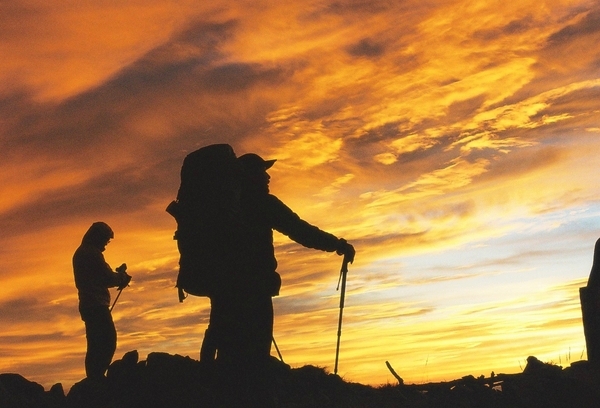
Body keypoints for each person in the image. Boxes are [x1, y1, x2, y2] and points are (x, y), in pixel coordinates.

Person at [203, 153, 355, 406]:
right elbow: (300, 230)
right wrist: (337, 245)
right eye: (262, 172)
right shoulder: (262, 203)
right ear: (250, 176)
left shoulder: (221, 208)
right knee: (254, 358)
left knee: (227, 352)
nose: (267, 176)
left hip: (223, 292)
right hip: (253, 292)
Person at [73, 222, 131, 380]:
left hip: (89, 305)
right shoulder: (91, 253)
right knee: (106, 341)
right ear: (97, 237)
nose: (106, 244)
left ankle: (95, 377)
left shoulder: (83, 252)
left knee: (96, 343)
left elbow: (100, 276)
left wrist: (118, 277)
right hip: (96, 305)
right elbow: (106, 277)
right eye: (105, 240)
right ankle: (96, 378)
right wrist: (122, 277)